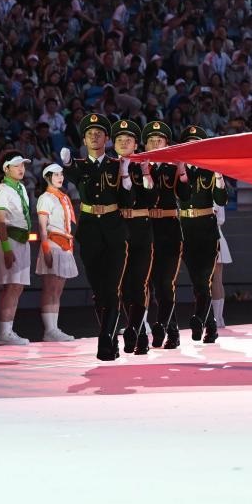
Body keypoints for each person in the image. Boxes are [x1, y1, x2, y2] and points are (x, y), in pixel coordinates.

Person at [60, 114, 132, 361]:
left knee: (111, 289)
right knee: (99, 292)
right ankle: (110, 336)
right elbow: (71, 173)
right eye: (89, 133)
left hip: (114, 230)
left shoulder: (116, 165)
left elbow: (127, 201)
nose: (94, 136)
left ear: (107, 139)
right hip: (90, 231)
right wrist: (67, 163)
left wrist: (125, 175)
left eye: (99, 133)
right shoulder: (79, 166)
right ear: (83, 140)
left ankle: (105, 339)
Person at [178, 126, 228, 340]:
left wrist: (219, 175)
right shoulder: (179, 170)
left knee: (204, 278)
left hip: (207, 228)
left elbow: (221, 199)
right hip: (186, 228)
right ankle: (211, 324)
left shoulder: (209, 169)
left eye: (195, 144)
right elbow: (181, 194)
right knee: (198, 281)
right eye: (188, 144)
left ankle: (198, 318)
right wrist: (182, 172)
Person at [111, 119, 155, 355]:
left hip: (140, 229)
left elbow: (151, 198)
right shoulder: (109, 167)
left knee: (139, 282)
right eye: (119, 139)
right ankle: (133, 325)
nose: (123, 143)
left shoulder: (143, 166)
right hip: (118, 229)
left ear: (136, 144)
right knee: (123, 285)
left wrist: (142, 172)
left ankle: (137, 329)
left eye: (128, 140)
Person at [142, 119, 186, 349]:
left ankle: (163, 328)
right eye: (151, 140)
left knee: (166, 283)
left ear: (167, 143)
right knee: (151, 284)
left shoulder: (173, 168)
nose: (155, 144)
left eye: (159, 140)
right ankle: (171, 329)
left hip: (169, 229)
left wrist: (183, 171)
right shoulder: (139, 169)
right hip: (147, 229)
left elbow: (186, 195)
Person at [0, 151, 34, 346]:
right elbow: (0, 221)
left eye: (23, 165)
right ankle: (4, 332)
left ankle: (8, 330)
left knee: (17, 286)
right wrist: (7, 248)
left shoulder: (21, 188)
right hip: (9, 238)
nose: (21, 169)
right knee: (11, 286)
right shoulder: (2, 190)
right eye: (16, 165)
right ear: (6, 168)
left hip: (22, 239)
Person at [35, 164, 78, 342]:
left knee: (57, 290)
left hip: (65, 245)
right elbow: (42, 227)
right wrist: (46, 249)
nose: (60, 177)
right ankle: (49, 329)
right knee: (50, 289)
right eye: (56, 175)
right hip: (53, 244)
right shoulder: (45, 198)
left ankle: (54, 328)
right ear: (48, 178)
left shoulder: (63, 197)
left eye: (61, 174)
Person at [212, 203, 230, 328]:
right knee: (218, 280)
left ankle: (217, 318)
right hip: (216, 236)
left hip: (213, 237)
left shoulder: (213, 196)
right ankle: (219, 317)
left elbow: (217, 219)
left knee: (216, 280)